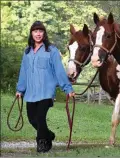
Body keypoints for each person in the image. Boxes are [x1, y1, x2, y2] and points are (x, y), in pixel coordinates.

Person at [16, 21, 75, 153]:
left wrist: (68, 88)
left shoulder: (51, 50)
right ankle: (49, 135)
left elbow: (59, 71)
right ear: (31, 33)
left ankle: (42, 143)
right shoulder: (27, 52)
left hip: (46, 92)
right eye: (35, 31)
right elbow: (23, 72)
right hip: (31, 93)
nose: (38, 34)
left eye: (40, 31)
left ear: (44, 33)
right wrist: (20, 89)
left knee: (40, 117)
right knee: (32, 119)